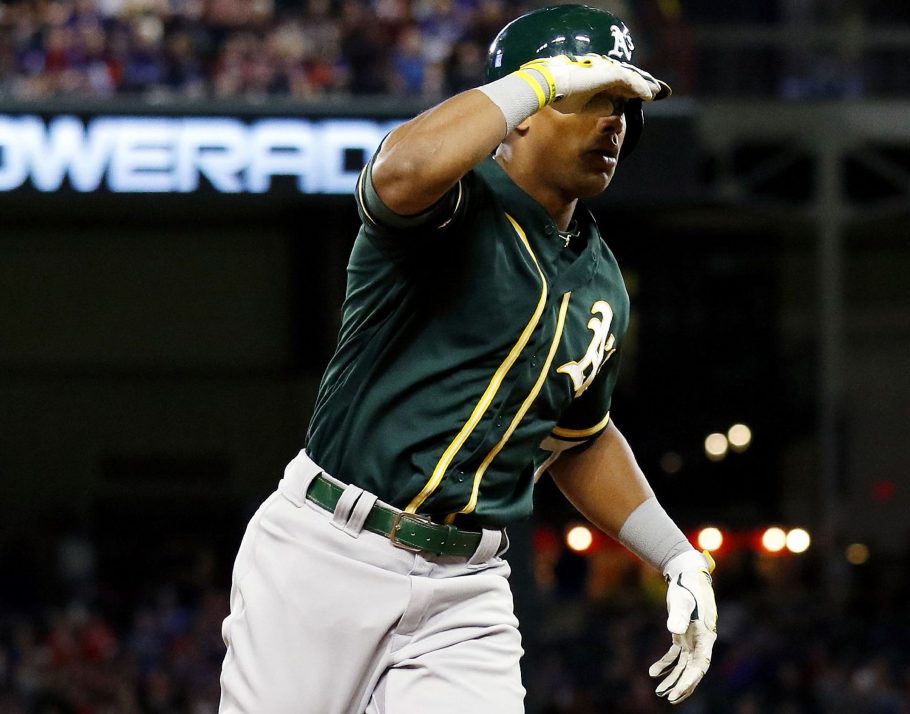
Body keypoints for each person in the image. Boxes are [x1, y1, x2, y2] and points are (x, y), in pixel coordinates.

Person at [218, 5, 717, 713]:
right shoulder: (453, 201)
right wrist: (542, 80)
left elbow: (577, 438)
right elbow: (399, 173)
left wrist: (676, 554)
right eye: (592, 97)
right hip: (330, 549)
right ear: (524, 108)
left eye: (624, 105)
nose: (615, 121)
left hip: (466, 585)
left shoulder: (602, 281)